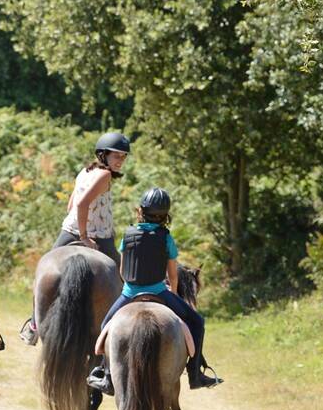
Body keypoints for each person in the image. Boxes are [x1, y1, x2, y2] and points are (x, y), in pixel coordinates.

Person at [86, 187, 223, 393]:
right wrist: (174, 294)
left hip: (129, 293)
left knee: (106, 325)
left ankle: (106, 376)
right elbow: (173, 275)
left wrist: (131, 287)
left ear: (141, 210)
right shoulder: (166, 238)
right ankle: (195, 375)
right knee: (197, 322)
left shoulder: (128, 234)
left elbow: (123, 270)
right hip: (159, 291)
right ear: (165, 216)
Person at [20, 131, 130, 345]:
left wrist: (77, 229)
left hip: (67, 231)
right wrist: (85, 236)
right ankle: (119, 329)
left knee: (43, 271)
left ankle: (34, 325)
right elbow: (81, 204)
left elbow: (71, 204)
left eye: (123, 157)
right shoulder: (104, 175)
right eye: (116, 156)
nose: (120, 161)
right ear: (104, 154)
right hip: (99, 236)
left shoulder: (85, 171)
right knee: (123, 280)